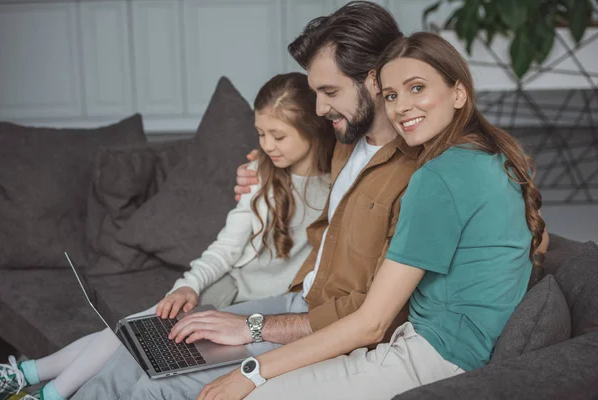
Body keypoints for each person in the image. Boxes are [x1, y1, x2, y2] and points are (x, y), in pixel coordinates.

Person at [66, 2, 422, 399]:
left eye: (330, 92)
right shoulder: (344, 139)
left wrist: (254, 326)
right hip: (298, 297)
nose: (320, 108)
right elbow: (291, 149)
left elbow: (370, 316)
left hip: (322, 324)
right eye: (317, 93)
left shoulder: (417, 176)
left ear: (375, 80)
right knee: (140, 349)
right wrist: (261, 175)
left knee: (157, 386)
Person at [197, 31, 547, 400]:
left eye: (417, 88)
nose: (401, 107)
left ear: (459, 93)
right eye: (392, 95)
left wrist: (252, 374)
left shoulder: (437, 178)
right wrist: (264, 168)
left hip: (430, 356)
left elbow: (370, 323)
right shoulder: (498, 156)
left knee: (246, 395)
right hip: (444, 348)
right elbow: (535, 241)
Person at [0, 72, 334, 400]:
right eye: (260, 134)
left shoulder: (338, 187)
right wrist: (189, 284)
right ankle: (33, 384)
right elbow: (226, 248)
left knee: (140, 342)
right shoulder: (258, 175)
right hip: (229, 285)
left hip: (269, 305)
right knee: (135, 329)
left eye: (278, 135)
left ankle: (33, 382)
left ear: (313, 128)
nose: (266, 145)